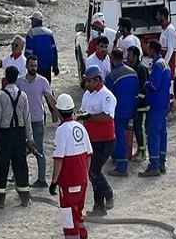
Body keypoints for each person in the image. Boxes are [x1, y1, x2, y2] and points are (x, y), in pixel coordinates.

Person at [50, 93, 92, 239]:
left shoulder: (61, 131)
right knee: (78, 213)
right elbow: (88, 155)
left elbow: (59, 160)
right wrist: (85, 175)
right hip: (82, 180)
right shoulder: (81, 128)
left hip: (68, 182)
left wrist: (54, 182)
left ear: (59, 111)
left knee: (69, 217)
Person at [0, 66, 33, 208]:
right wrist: (30, 138)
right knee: (20, 165)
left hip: (5, 134)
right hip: (19, 134)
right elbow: (27, 119)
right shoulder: (23, 95)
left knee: (1, 166)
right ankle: (25, 197)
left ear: (5, 78)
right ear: (16, 78)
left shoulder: (1, 96)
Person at [77, 65, 116, 217]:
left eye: (89, 81)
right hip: (91, 140)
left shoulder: (106, 96)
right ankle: (98, 206)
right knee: (91, 172)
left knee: (94, 170)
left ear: (97, 80)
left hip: (105, 140)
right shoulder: (87, 94)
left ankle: (109, 194)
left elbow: (108, 116)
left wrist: (88, 117)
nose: (86, 84)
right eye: (85, 81)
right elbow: (83, 110)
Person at [18, 55, 57, 188]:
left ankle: (41, 179)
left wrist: (59, 113)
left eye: (35, 65)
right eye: (31, 65)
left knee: (39, 150)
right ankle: (20, 177)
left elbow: (50, 98)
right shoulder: (20, 82)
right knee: (20, 150)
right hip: (22, 122)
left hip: (37, 121)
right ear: (27, 66)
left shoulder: (43, 81)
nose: (33, 68)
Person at [139, 40, 171, 177]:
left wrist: (146, 84)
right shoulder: (165, 64)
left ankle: (154, 166)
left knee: (153, 134)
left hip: (157, 105)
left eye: (148, 48)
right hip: (164, 103)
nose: (146, 50)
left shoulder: (158, 65)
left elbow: (155, 85)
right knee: (162, 133)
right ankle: (161, 162)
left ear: (152, 49)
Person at [105, 48, 138, 177]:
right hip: (130, 110)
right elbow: (136, 93)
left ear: (112, 58)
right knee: (125, 136)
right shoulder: (133, 72)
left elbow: (108, 97)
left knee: (119, 137)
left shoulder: (111, 76)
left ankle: (122, 167)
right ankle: (118, 157)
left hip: (118, 112)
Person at [127, 45, 150, 162]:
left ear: (135, 56)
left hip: (142, 105)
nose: (128, 57)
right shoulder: (135, 67)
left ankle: (143, 152)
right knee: (136, 128)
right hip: (137, 104)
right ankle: (139, 150)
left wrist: (138, 100)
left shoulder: (141, 68)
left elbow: (143, 88)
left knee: (141, 128)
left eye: (129, 55)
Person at [25, 11, 59, 83]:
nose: (31, 22)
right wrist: (55, 65)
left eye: (32, 20)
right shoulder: (49, 33)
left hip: (35, 67)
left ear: (34, 21)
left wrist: (27, 65)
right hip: (47, 67)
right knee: (46, 86)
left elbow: (28, 53)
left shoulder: (31, 33)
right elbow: (54, 50)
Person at [157, 6, 176, 111]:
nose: (156, 17)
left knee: (169, 84)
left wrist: (164, 63)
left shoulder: (170, 30)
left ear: (163, 16)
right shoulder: (164, 29)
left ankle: (170, 107)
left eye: (158, 15)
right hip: (164, 60)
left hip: (168, 62)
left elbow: (170, 50)